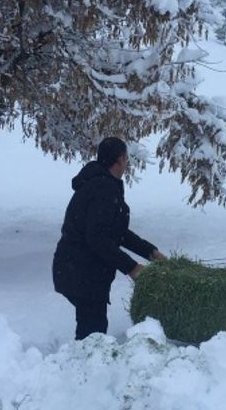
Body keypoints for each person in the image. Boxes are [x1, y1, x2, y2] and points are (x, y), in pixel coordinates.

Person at [53, 137, 165, 340]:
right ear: (120, 159)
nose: (127, 163)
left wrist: (151, 252)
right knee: (93, 334)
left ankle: (83, 363)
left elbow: (117, 232)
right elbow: (97, 238)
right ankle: (84, 368)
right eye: (126, 159)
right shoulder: (103, 189)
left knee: (92, 328)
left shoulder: (100, 184)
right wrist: (131, 267)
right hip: (82, 272)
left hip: (75, 269)